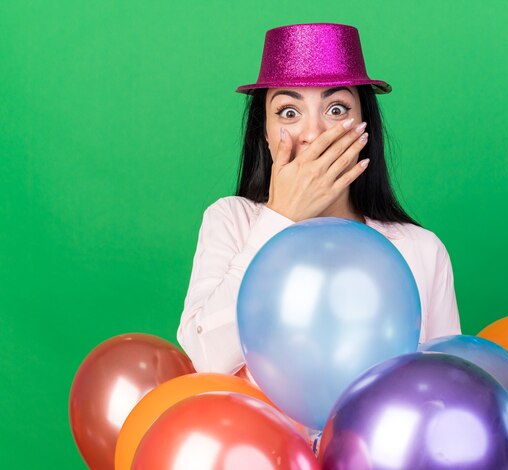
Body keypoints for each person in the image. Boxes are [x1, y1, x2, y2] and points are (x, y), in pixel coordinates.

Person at [177, 22, 462, 449]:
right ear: (266, 133)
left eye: (336, 109)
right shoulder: (233, 222)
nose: (313, 133)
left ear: (365, 125)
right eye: (288, 112)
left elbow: (446, 405)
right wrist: (281, 217)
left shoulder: (420, 251)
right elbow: (206, 361)